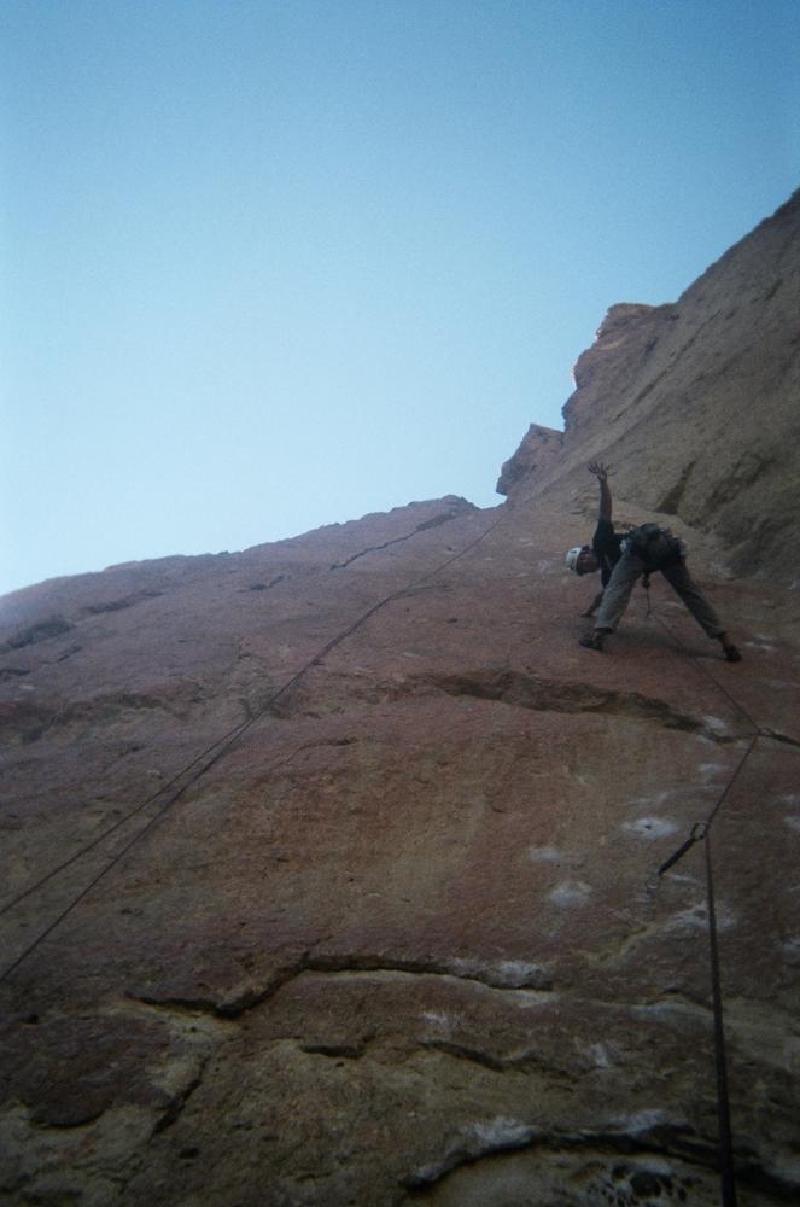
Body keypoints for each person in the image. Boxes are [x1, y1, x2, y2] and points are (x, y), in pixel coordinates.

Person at [565, 462, 742, 661]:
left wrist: (603, 483)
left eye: (582, 562)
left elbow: (605, 512)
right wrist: (588, 611)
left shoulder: (600, 542)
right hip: (665, 548)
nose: (586, 567)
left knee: (624, 587)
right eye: (583, 569)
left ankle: (598, 637)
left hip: (641, 549)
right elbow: (604, 595)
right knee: (690, 593)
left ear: (586, 551)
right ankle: (727, 644)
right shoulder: (607, 573)